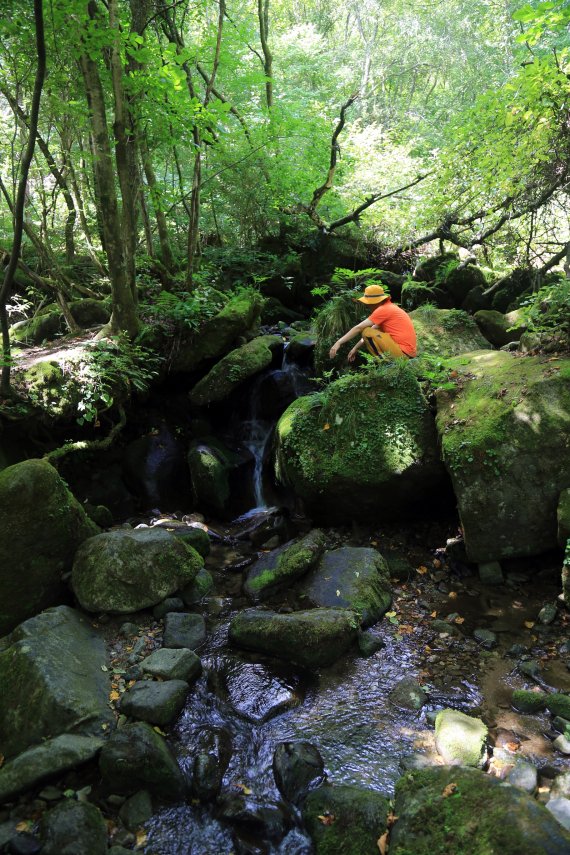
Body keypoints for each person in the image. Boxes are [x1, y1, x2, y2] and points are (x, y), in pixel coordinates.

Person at [329, 283, 417, 362]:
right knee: (370, 332)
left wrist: (338, 342)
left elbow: (359, 328)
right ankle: (387, 362)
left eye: (368, 303)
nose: (367, 305)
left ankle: (385, 363)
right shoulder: (389, 307)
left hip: (402, 353)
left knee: (366, 332)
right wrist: (355, 348)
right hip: (406, 353)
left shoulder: (383, 310)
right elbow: (372, 331)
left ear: (375, 301)